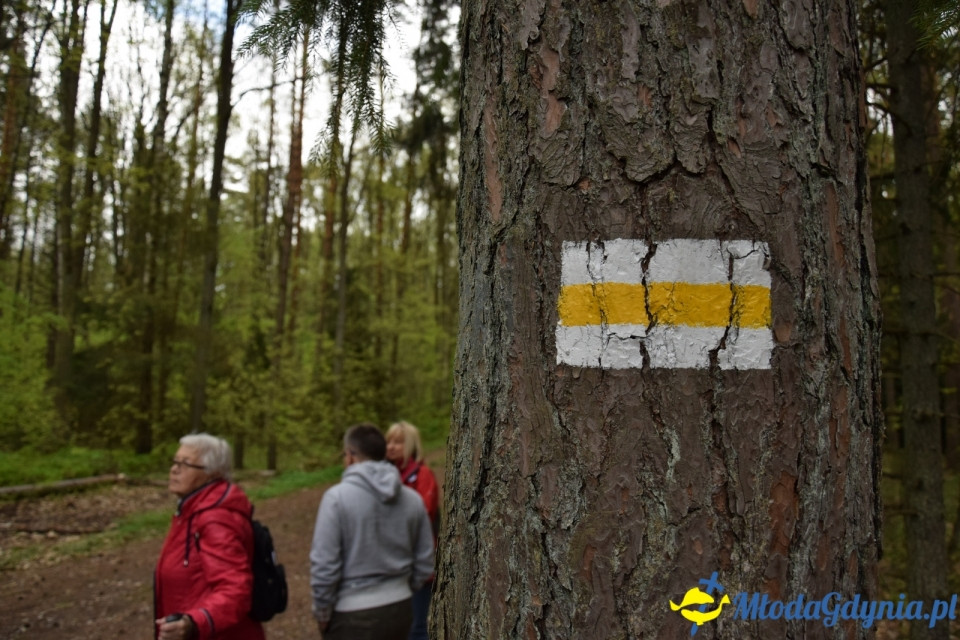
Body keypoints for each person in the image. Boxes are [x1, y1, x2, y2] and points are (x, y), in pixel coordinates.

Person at [310, 423, 434, 640]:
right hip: (401, 609)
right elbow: (425, 557)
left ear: (350, 456)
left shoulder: (336, 499)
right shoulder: (411, 500)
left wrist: (322, 612)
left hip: (352, 614)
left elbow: (324, 564)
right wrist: (403, 588)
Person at [154, 433, 264, 640]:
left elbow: (235, 590)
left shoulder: (215, 519)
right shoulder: (191, 511)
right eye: (175, 461)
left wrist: (193, 623)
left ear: (212, 473)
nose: (174, 469)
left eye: (185, 464)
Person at [385, 421, 439, 640]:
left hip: (417, 562)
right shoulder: (385, 475)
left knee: (417, 624)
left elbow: (424, 514)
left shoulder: (423, 475)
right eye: (389, 441)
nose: (391, 446)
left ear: (411, 445)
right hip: (391, 562)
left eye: (398, 442)